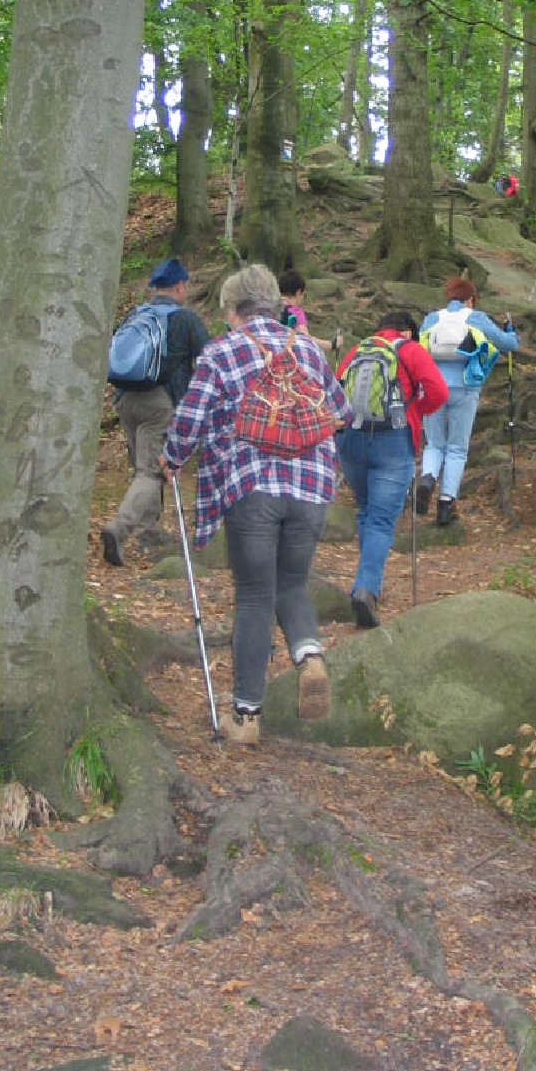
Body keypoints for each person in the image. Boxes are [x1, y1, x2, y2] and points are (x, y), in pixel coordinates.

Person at [161, 264, 350, 747]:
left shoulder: (221, 351)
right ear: (276, 305)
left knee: (253, 596)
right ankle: (309, 656)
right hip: (312, 488)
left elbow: (191, 420)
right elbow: (342, 413)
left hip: (252, 487)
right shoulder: (308, 349)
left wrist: (172, 458)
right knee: (292, 584)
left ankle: (246, 718)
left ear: (233, 310)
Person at [335, 311, 448, 628]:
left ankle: (368, 581)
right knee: (382, 520)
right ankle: (366, 589)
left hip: (352, 441)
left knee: (366, 510)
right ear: (408, 332)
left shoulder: (357, 351)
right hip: (393, 443)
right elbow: (439, 391)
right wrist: (415, 410)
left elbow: (335, 392)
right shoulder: (411, 351)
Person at [102, 258, 209, 567]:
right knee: (151, 471)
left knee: (142, 468)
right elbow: (209, 359)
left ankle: (149, 532)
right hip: (159, 402)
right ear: (180, 286)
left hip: (125, 399)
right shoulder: (185, 319)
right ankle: (119, 529)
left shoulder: (136, 315)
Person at [416, 279, 519, 526]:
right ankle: (445, 503)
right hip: (465, 385)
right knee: (457, 448)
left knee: (434, 443)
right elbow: (509, 344)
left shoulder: (432, 318)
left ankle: (428, 478)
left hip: (432, 386)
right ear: (470, 299)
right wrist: (510, 330)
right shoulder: (476, 318)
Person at [277, 268, 342, 353]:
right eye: (303, 294)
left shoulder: (272, 307)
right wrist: (330, 345)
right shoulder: (296, 313)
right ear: (298, 293)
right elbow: (306, 339)